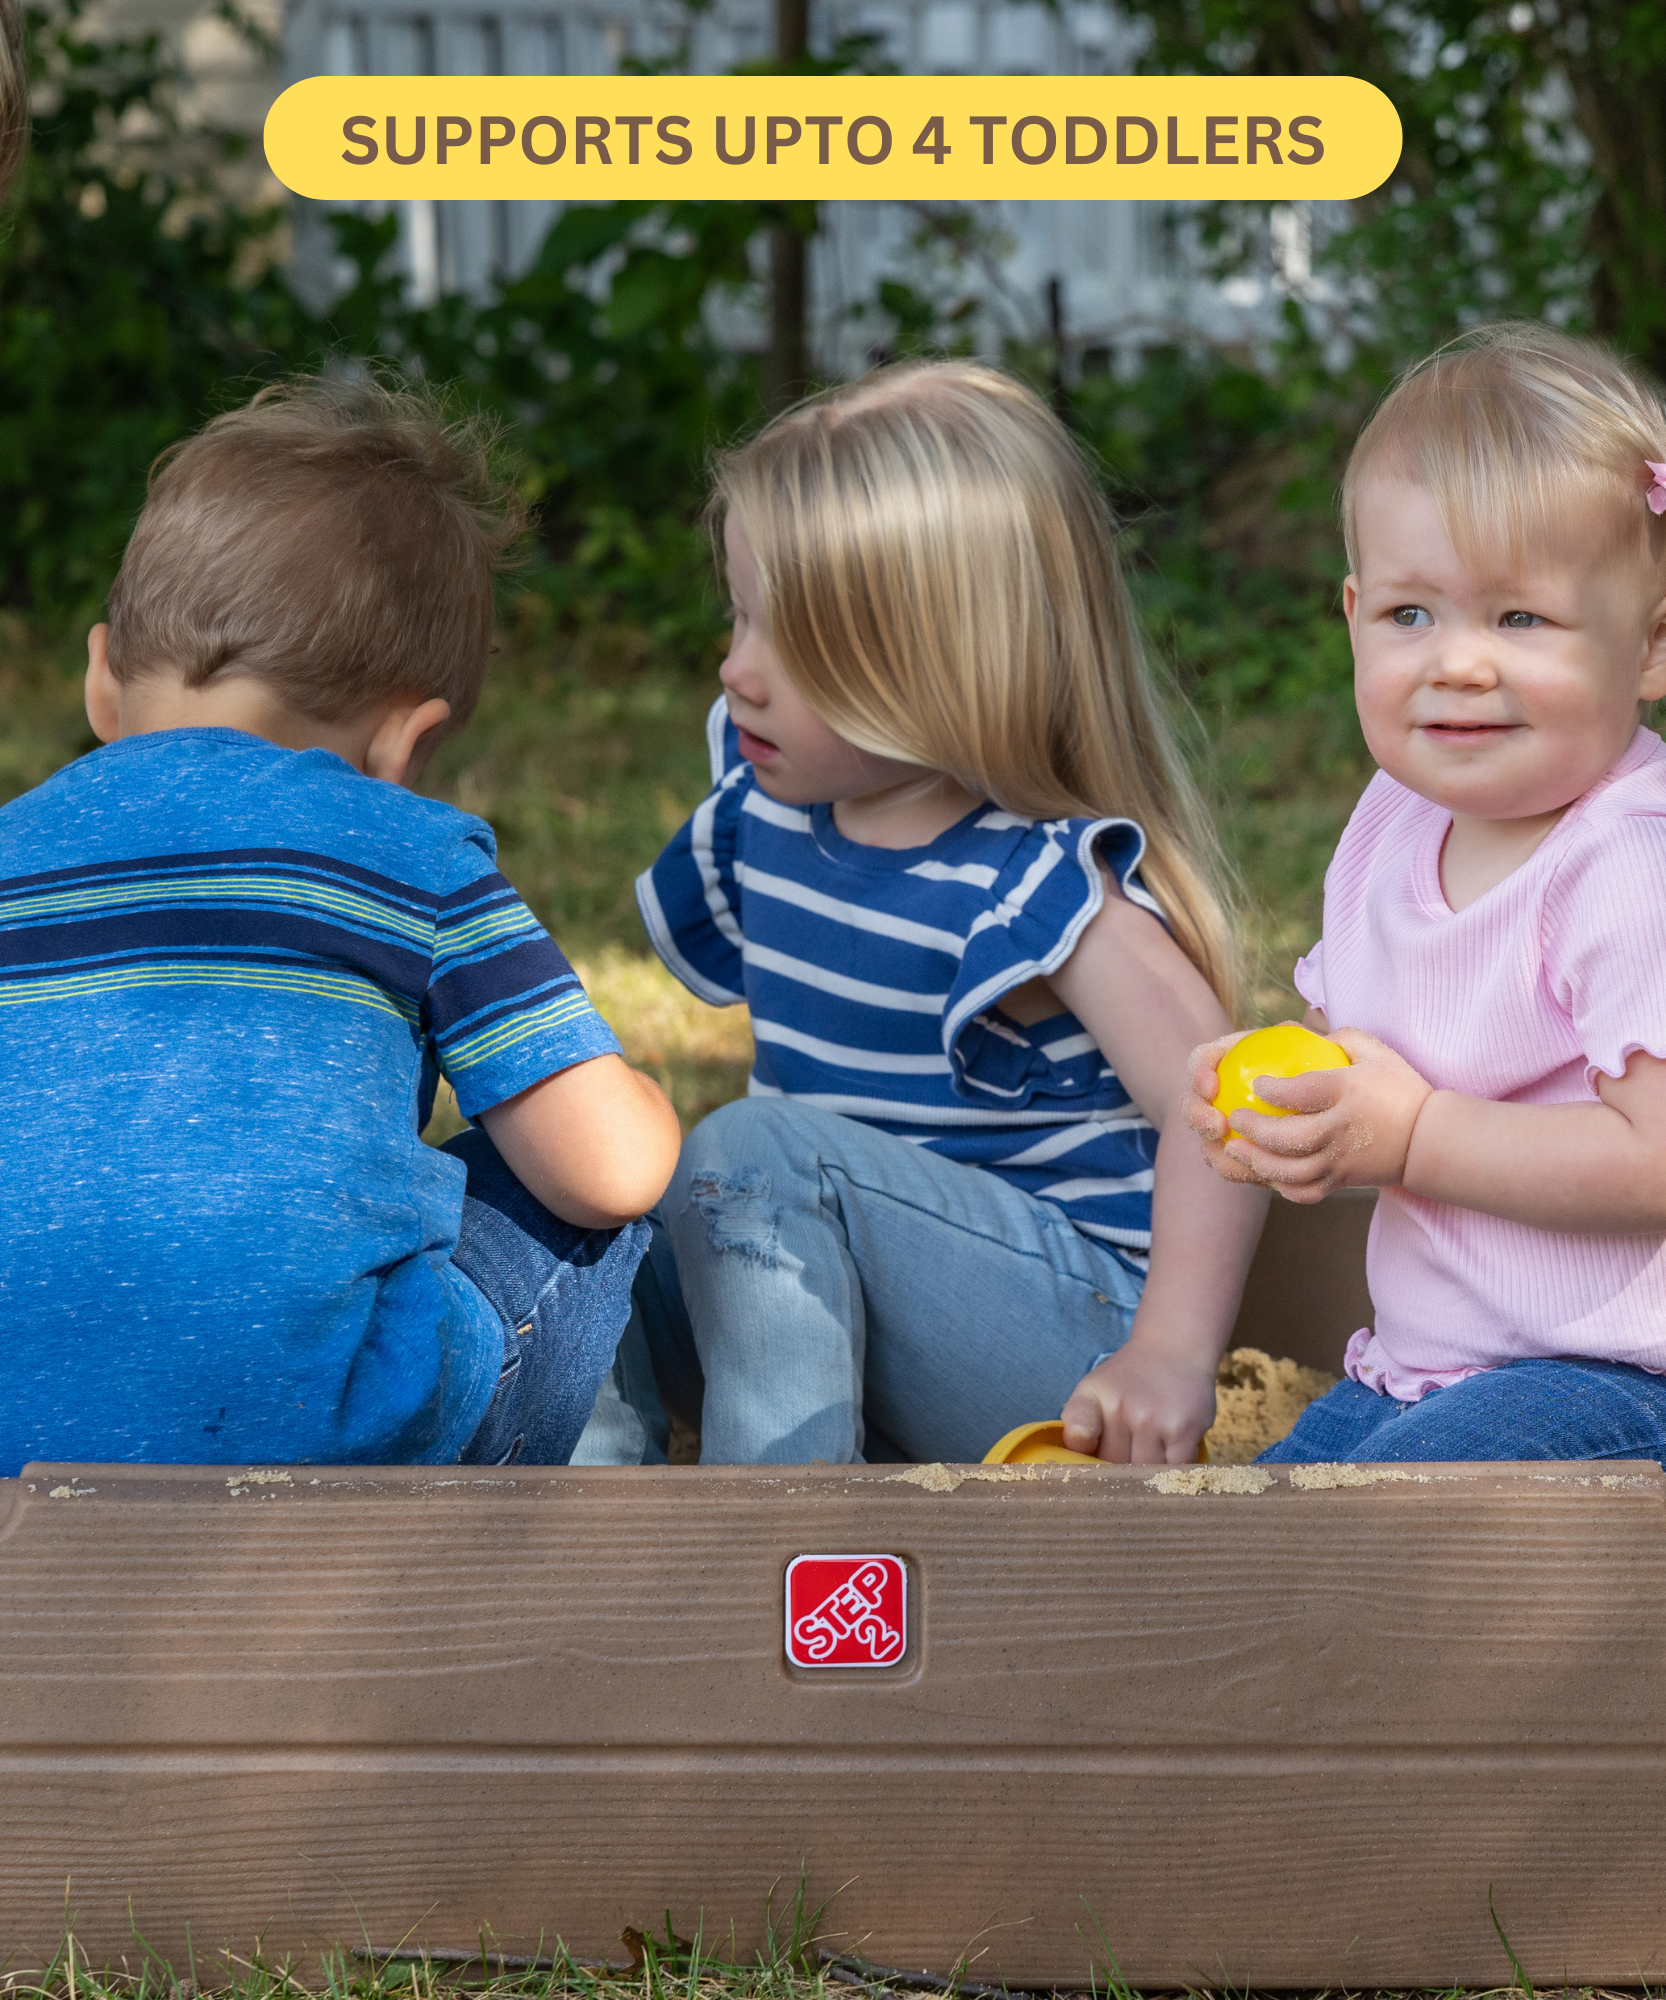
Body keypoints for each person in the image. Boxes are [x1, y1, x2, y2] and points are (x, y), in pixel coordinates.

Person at [583, 361, 1268, 1469]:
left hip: (1056, 1355)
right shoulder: (765, 803)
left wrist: (1171, 1355)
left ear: (941, 662)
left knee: (752, 1147)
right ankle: (593, 1516)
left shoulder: (1036, 885)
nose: (735, 669)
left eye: (790, 642)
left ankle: (778, 1537)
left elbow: (1225, 1104)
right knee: (556, 1191)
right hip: (820, 1305)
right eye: (739, 615)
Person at [0, 375, 681, 1477]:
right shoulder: (405, 847)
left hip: (18, 1437)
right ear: (402, 744)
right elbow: (605, 1171)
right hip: (331, 1441)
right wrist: (643, 1108)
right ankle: (596, 1500)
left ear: (98, 680)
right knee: (561, 1203)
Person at [1186, 323, 1666, 1465]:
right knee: (1241, 1550)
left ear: (1650, 648)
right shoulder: (1397, 815)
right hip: (1420, 1364)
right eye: (1412, 614)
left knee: (1378, 1538)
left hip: (1612, 1373)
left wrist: (1416, 1137)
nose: (1457, 661)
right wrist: (1299, 1100)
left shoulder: (1625, 865)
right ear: (1351, 615)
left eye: (1519, 617)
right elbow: (1370, 1040)